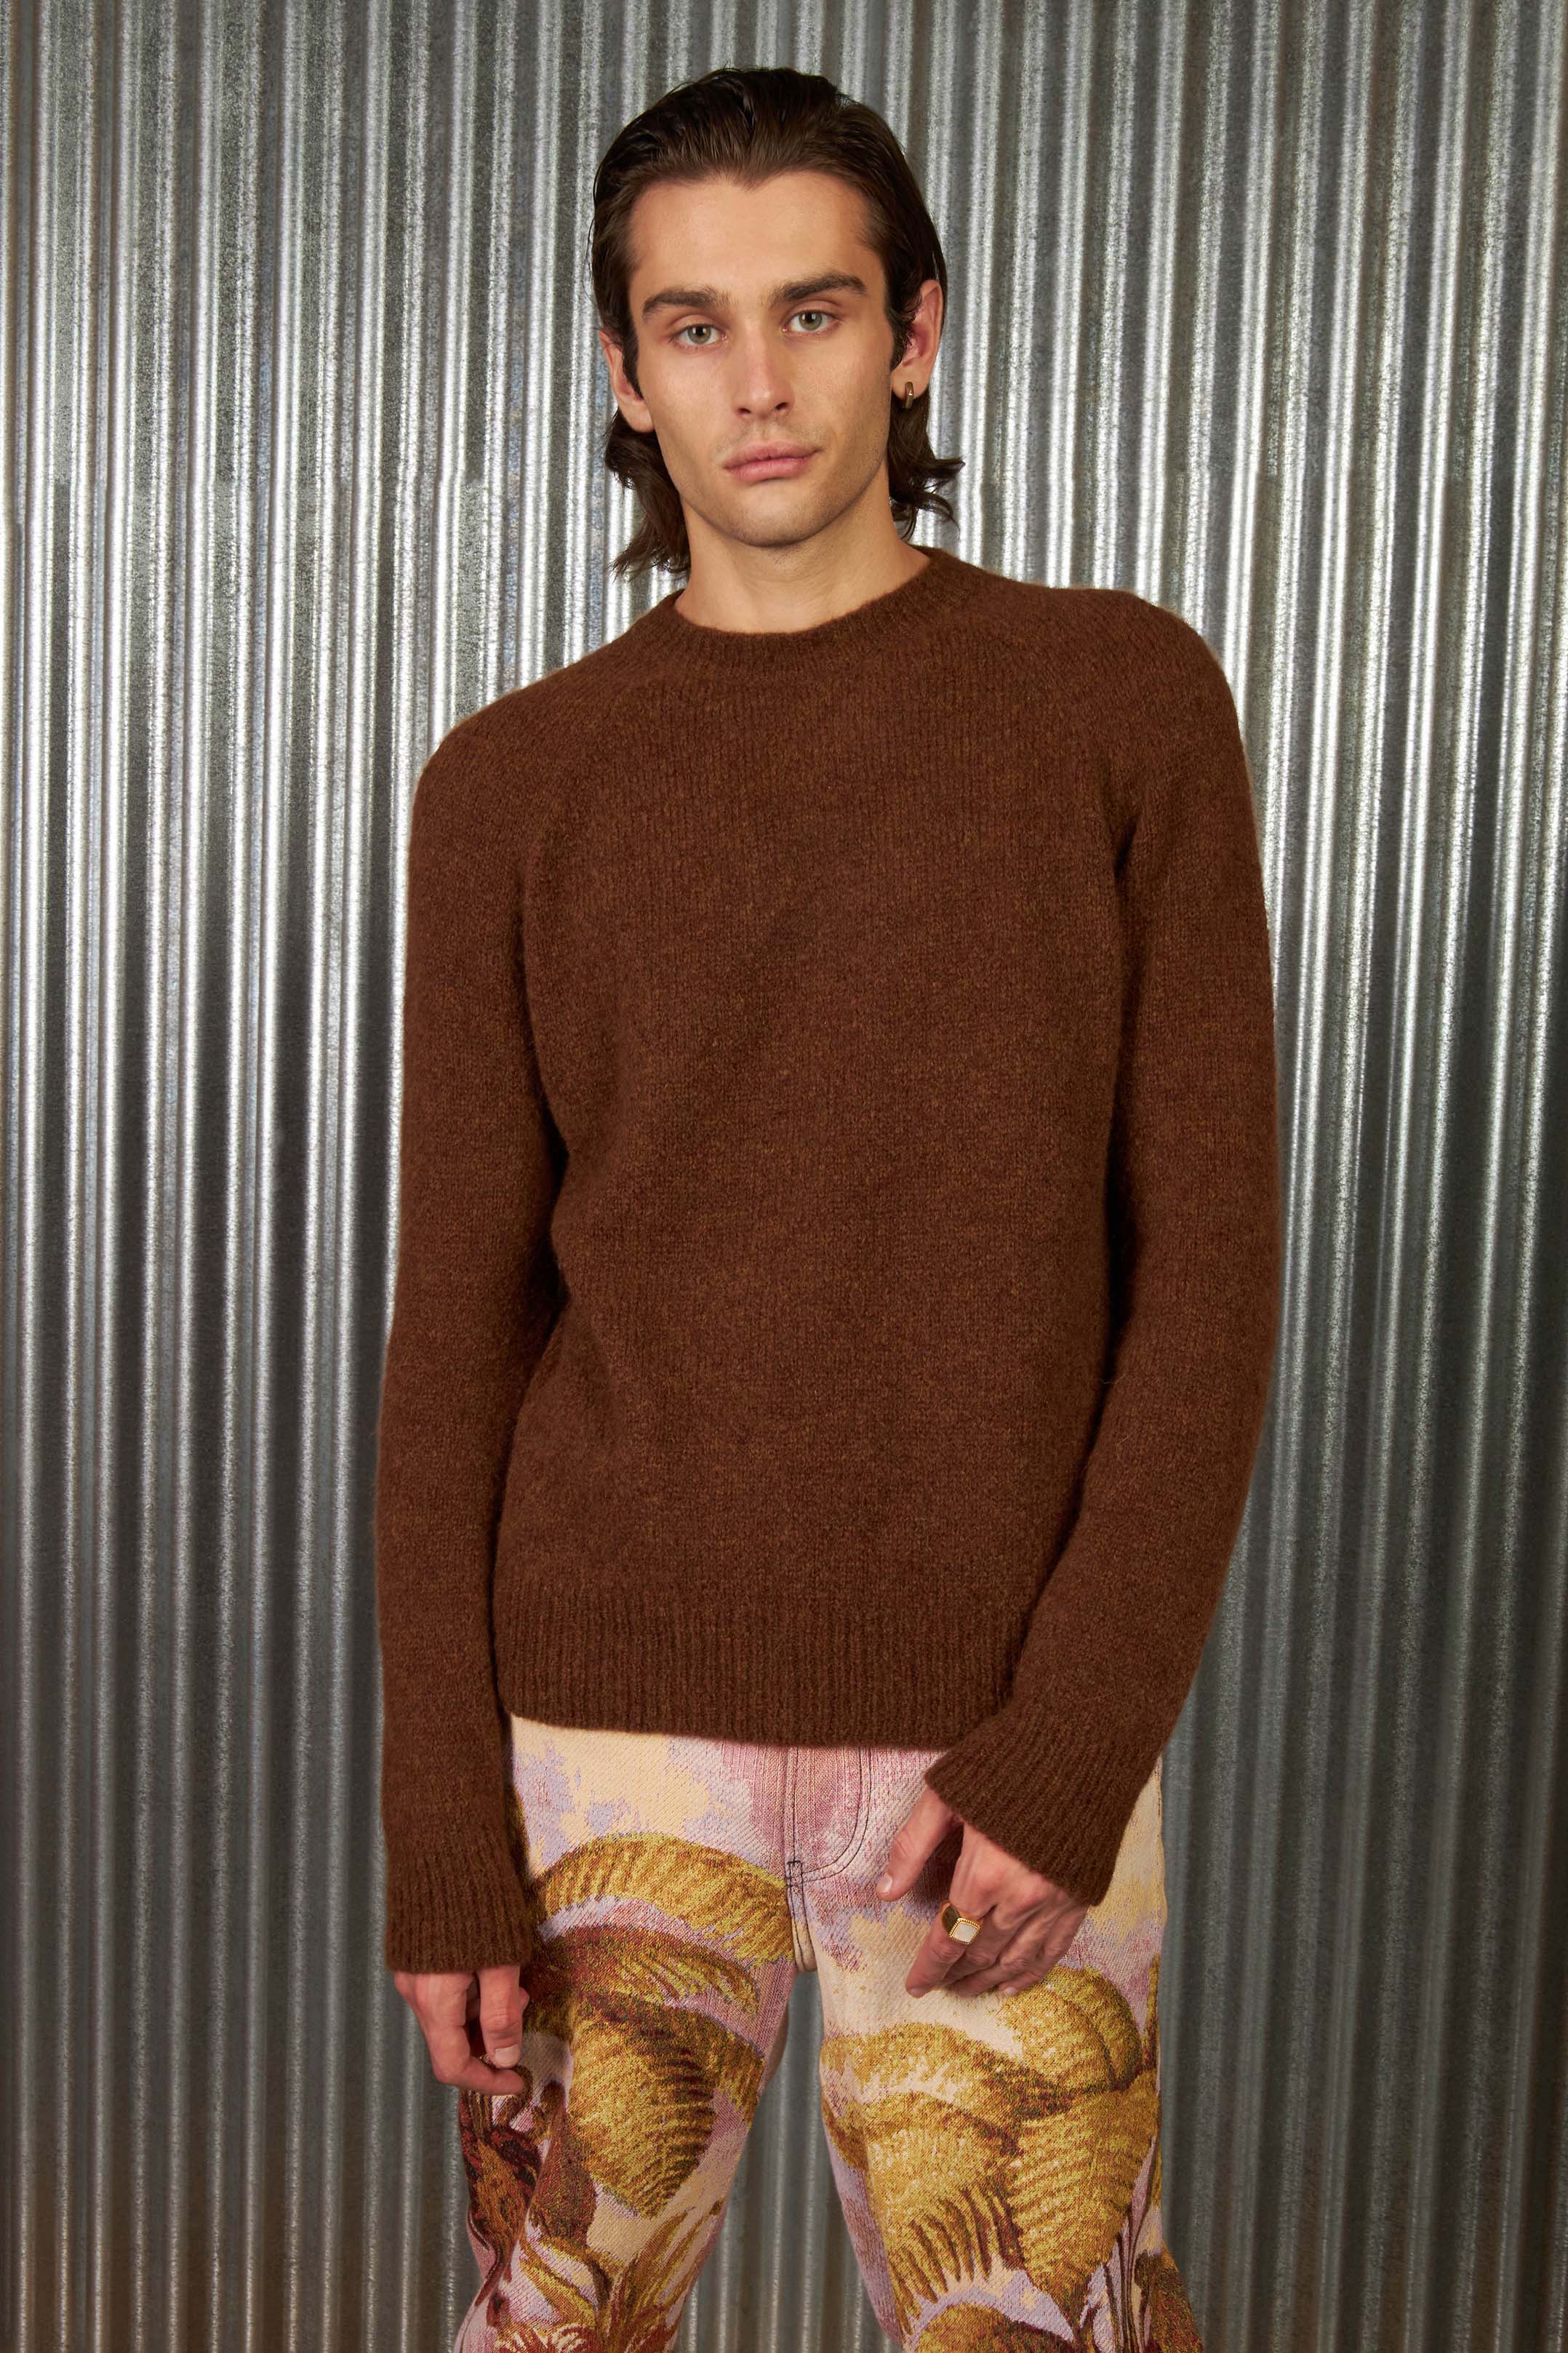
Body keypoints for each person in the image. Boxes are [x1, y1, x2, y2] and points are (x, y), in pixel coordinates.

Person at [372, 63, 1282, 2353]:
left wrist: (1074, 1738)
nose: (757, 382)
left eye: (813, 310)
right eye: (693, 326)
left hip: (992, 1744)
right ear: (623, 370)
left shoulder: (1115, 705)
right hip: (600, 1738)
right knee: (554, 2327)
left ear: (917, 331)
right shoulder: (509, 787)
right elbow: (456, 1332)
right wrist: (442, 1830)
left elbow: (1206, 1268)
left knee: (1043, 2323)